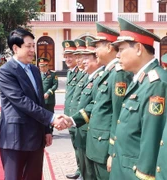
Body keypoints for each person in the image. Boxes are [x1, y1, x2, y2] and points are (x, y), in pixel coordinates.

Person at [0, 28, 72, 180]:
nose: (32, 50)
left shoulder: (35, 70)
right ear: (16, 48)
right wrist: (52, 118)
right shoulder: (6, 71)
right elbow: (22, 101)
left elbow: (40, 101)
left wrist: (46, 130)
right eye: (28, 46)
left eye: (33, 46)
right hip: (15, 138)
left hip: (36, 137)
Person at [110, 17, 167, 180]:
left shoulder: (157, 83)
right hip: (123, 167)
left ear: (139, 49)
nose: (117, 55)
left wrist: (145, 175)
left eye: (121, 49)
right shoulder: (139, 80)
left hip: (135, 174)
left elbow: (152, 137)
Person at [83, 22, 132, 179]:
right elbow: (98, 105)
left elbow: (118, 115)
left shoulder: (118, 73)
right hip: (97, 145)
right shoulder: (106, 72)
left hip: (105, 147)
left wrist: (113, 151)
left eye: (98, 46)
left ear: (110, 47)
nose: (95, 50)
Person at [63, 36, 105, 180]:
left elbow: (95, 104)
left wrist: (74, 119)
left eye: (86, 57)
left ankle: (82, 172)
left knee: (91, 168)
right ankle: (81, 171)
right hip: (78, 122)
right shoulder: (88, 76)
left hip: (87, 126)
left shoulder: (100, 77)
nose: (81, 60)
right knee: (84, 162)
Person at [62, 40, 83, 180]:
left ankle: (82, 171)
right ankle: (79, 168)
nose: (68, 59)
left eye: (71, 56)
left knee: (81, 146)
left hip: (79, 116)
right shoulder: (70, 73)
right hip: (70, 114)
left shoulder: (82, 72)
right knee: (75, 144)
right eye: (66, 56)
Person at [38, 57, 58, 134]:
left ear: (47, 66)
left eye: (43, 66)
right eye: (40, 66)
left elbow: (55, 85)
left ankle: (50, 130)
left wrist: (48, 93)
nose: (41, 68)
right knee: (41, 115)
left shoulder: (53, 74)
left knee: (50, 115)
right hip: (40, 99)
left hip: (49, 100)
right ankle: (43, 130)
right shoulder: (38, 74)